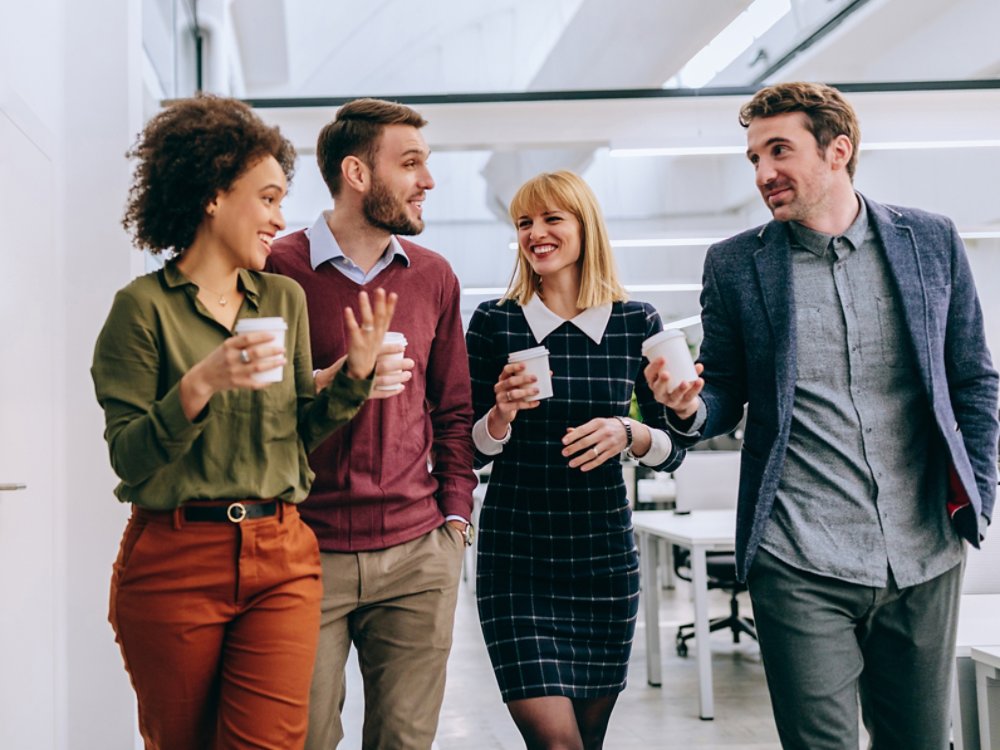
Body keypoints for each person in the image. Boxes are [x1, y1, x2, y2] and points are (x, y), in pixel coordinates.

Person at [645, 81, 999, 749]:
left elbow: (973, 379)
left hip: (923, 551)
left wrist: (977, 493)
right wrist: (688, 406)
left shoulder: (930, 240)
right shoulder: (735, 265)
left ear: (839, 150)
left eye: (779, 150)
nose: (762, 173)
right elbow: (722, 391)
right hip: (799, 555)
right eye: (753, 157)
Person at [91, 94, 395, 749]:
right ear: (212, 196)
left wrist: (353, 379)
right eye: (266, 199)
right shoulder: (141, 310)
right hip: (173, 561)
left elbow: (296, 433)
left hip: (280, 553)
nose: (278, 218)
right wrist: (201, 383)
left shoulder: (281, 299)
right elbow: (130, 456)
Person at [266, 98, 476, 750]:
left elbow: (453, 408)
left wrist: (455, 517)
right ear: (357, 173)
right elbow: (260, 414)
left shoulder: (434, 276)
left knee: (404, 742)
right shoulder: (277, 270)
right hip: (304, 551)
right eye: (410, 163)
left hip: (418, 555)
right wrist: (332, 380)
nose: (428, 181)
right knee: (303, 739)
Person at [466, 170, 686, 750]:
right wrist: (501, 415)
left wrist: (629, 430)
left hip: (603, 558)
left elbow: (672, 451)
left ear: (584, 226)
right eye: (523, 222)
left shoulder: (636, 323)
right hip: (517, 559)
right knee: (557, 744)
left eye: (551, 219)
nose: (535, 233)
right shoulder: (496, 321)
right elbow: (464, 447)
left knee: (588, 742)